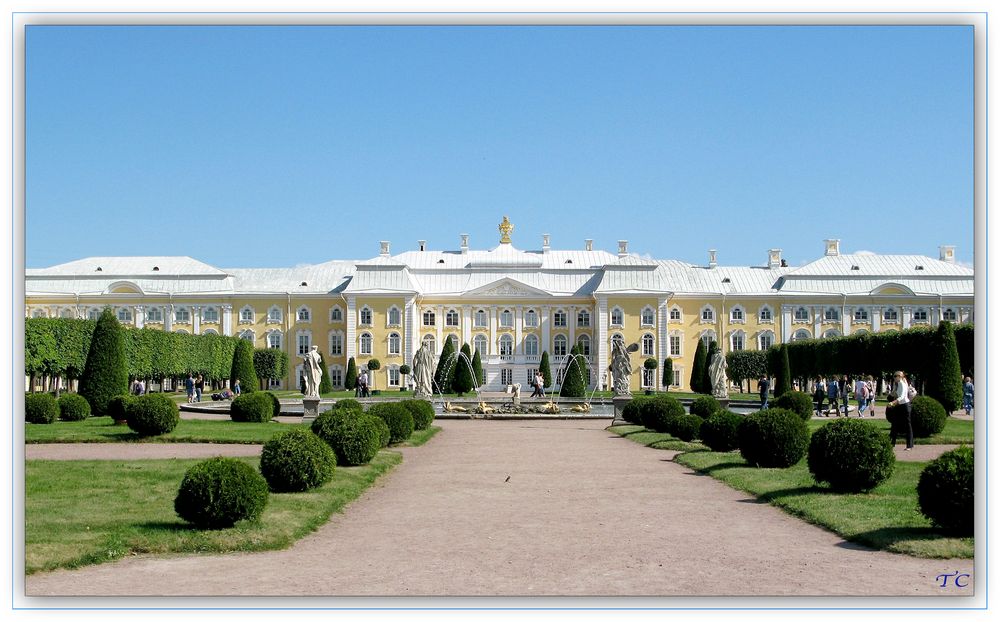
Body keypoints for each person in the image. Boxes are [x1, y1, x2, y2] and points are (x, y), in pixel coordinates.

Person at [888, 370, 914, 450]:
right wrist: (891, 394)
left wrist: (893, 403)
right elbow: (896, 394)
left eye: (896, 376)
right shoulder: (898, 384)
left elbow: (902, 396)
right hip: (899, 406)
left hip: (905, 406)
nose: (894, 377)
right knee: (894, 424)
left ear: (900, 377)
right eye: (894, 376)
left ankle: (909, 446)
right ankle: (891, 444)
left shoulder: (902, 384)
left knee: (907, 426)